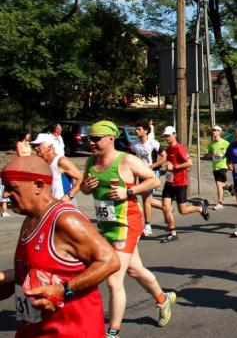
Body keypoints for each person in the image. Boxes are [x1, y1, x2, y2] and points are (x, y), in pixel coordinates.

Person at [0, 155, 120, 338]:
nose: (5, 195)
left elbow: (110, 261)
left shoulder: (65, 219)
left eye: (12, 188)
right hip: (36, 331)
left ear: (38, 185)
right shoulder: (30, 219)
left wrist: (63, 290)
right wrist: (6, 280)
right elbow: (35, 270)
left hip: (73, 332)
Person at [81, 120, 176, 337]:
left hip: (126, 224)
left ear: (110, 139)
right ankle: (163, 299)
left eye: (96, 139)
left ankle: (113, 332)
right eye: (89, 139)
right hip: (106, 225)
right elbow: (86, 190)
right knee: (135, 270)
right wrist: (85, 187)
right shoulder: (90, 161)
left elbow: (153, 181)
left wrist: (129, 191)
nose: (91, 143)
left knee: (114, 279)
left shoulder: (127, 160)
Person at [160, 126, 209, 242]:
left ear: (174, 134)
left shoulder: (179, 148)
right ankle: (173, 233)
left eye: (168, 135)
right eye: (165, 136)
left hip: (180, 182)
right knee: (165, 207)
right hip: (169, 182)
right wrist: (165, 170)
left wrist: (174, 167)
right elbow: (170, 163)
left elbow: (189, 163)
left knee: (182, 211)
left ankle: (199, 208)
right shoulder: (168, 149)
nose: (167, 138)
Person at [131, 120, 166, 236]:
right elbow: (131, 158)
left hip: (152, 174)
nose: (136, 131)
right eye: (136, 129)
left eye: (139, 129)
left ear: (146, 131)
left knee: (146, 199)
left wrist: (153, 166)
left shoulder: (153, 143)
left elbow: (164, 157)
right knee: (148, 200)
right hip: (141, 174)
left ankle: (147, 226)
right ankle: (166, 207)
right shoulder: (134, 145)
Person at [31, 133, 83, 205]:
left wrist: (69, 196)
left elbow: (81, 178)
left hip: (65, 204)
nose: (35, 148)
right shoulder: (43, 163)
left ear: (50, 147)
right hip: (51, 205)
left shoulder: (61, 161)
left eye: (38, 145)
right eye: (34, 146)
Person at [206, 125, 231, 210]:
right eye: (212, 130)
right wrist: (212, 154)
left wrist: (230, 164)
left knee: (218, 185)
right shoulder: (211, 144)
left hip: (223, 165)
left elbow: (230, 154)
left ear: (219, 132)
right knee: (220, 185)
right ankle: (231, 188)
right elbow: (207, 154)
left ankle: (220, 203)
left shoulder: (226, 143)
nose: (213, 132)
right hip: (215, 166)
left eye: (215, 130)